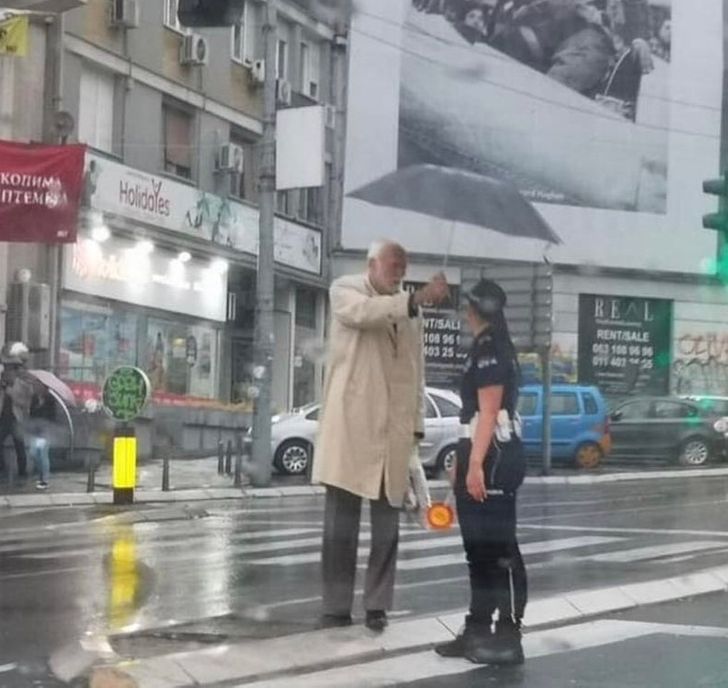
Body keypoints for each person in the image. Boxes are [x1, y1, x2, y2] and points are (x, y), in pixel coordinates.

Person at [313, 240, 449, 632]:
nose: (400, 271)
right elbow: (363, 315)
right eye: (394, 264)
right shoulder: (346, 289)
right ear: (372, 263)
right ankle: (336, 605)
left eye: (404, 266)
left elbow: (416, 373)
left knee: (387, 527)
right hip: (351, 430)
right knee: (340, 526)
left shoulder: (411, 309)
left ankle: (377, 605)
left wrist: (416, 429)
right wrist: (414, 300)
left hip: (393, 432)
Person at [435, 278, 527, 665]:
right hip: (479, 448)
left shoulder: (491, 349)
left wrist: (475, 463)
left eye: (466, 306)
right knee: (479, 551)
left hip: (495, 456)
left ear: (472, 310)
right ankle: (477, 628)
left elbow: (489, 411)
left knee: (499, 549)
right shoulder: (482, 347)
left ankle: (508, 635)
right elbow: (473, 418)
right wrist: (462, 459)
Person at [0, 342, 34, 480]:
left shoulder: (24, 386)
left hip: (17, 419)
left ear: (15, 372)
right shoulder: (2, 385)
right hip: (4, 418)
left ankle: (22, 471)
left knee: (19, 446)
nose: (7, 373)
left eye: (9, 370)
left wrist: (11, 393)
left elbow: (25, 403)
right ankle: (2, 468)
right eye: (5, 370)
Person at [27, 388, 56, 490]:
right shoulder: (34, 398)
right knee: (33, 453)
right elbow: (31, 413)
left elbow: (52, 416)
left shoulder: (50, 399)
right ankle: (41, 475)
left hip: (45, 431)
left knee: (43, 454)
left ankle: (45, 479)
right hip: (35, 430)